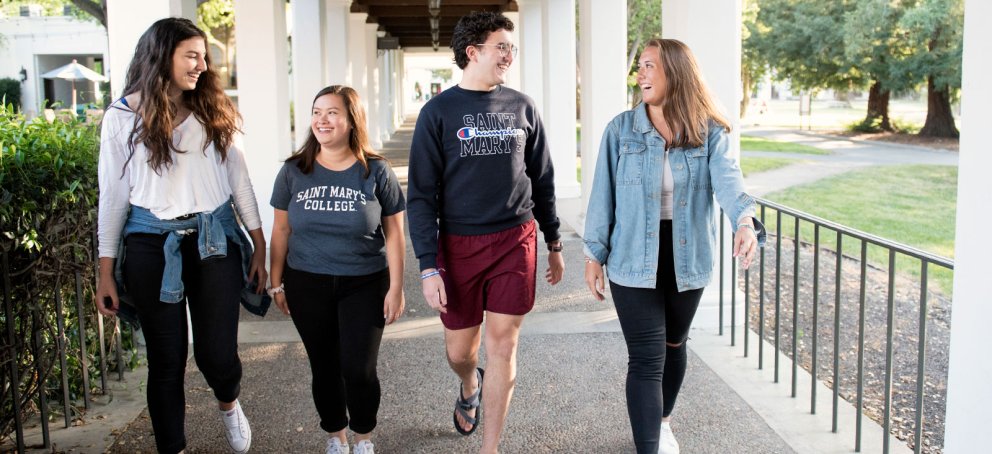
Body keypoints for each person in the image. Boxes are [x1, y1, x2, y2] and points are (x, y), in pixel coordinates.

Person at [582, 38, 765, 454]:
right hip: (631, 259)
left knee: (674, 344)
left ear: (675, 72)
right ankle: (649, 445)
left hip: (688, 258)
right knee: (646, 358)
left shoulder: (708, 132)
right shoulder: (621, 130)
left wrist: (743, 221)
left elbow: (729, 182)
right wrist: (595, 253)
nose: (641, 74)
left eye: (650, 66)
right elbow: (602, 196)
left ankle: (663, 422)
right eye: (640, 67)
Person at [95, 17, 266, 454]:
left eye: (204, 56)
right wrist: (106, 270)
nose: (202, 65)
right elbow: (113, 197)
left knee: (216, 356)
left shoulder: (212, 109)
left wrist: (259, 244)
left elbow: (239, 181)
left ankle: (229, 404)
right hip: (152, 245)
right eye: (192, 55)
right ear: (162, 56)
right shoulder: (121, 117)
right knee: (166, 361)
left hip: (214, 241)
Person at [406, 11, 564, 453]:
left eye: (511, 48)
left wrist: (553, 242)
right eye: (501, 47)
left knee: (503, 345)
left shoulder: (522, 106)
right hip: (458, 247)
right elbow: (420, 196)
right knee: (460, 352)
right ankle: (468, 386)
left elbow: (543, 179)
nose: (509, 55)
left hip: (516, 240)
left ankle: (490, 447)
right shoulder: (437, 113)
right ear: (472, 52)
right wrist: (427, 266)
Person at [268, 85, 405, 454]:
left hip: (364, 282)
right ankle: (336, 437)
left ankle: (363, 438)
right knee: (324, 367)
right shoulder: (294, 170)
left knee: (358, 369)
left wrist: (396, 287)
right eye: (316, 112)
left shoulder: (375, 170)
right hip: (306, 281)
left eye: (332, 112)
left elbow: (394, 233)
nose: (322, 120)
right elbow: (280, 230)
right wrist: (275, 282)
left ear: (351, 120)